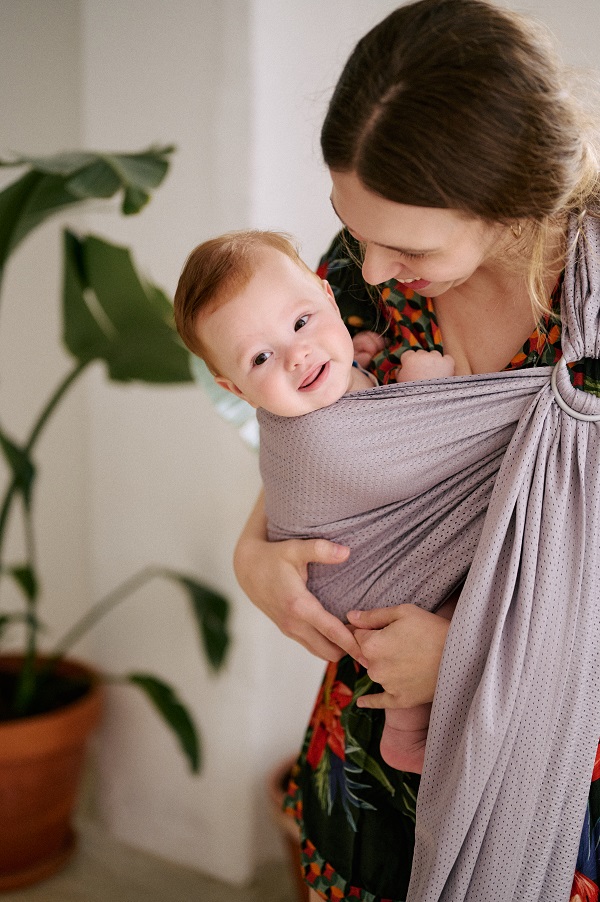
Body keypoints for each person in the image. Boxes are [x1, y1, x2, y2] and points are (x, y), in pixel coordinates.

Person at [232, 1, 600, 901]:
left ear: (515, 205)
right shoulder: (360, 271)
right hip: (361, 767)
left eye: (409, 244)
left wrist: (473, 660)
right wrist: (253, 549)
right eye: (349, 222)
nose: (370, 264)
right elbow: (309, 446)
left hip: (552, 775)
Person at [173, 229, 456, 774]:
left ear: (329, 299)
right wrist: (420, 393)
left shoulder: (335, 366)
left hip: (353, 582)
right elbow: (397, 471)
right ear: (234, 389)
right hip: (360, 574)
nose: (297, 354)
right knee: (438, 595)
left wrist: (361, 368)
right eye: (259, 357)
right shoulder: (300, 431)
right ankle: (408, 727)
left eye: (302, 324)